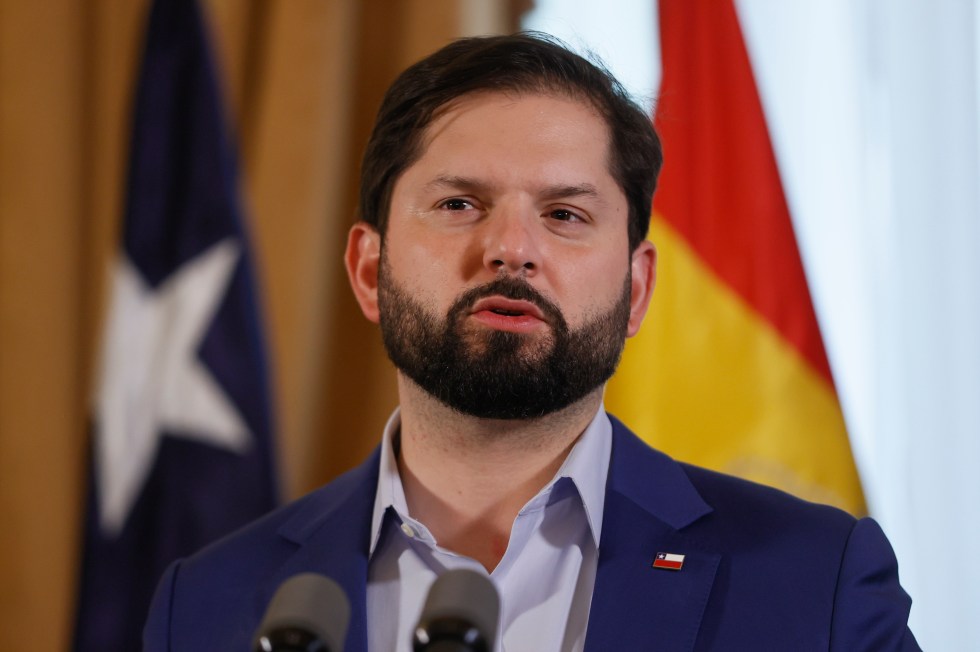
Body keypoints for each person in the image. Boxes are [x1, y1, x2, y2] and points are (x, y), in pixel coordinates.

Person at [143, 33, 918, 651]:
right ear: (370, 270)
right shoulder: (207, 606)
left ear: (636, 289)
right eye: (458, 203)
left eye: (565, 215)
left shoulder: (816, 583)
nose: (511, 249)